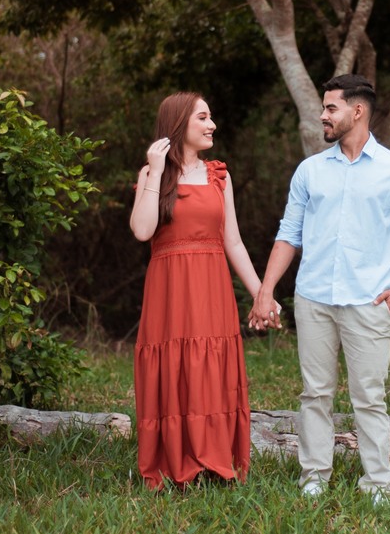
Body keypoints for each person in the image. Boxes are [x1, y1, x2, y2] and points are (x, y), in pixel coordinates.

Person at [251, 74, 390, 504]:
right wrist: (265, 289)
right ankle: (314, 477)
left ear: (358, 111)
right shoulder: (310, 171)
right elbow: (288, 234)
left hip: (370, 301)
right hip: (313, 299)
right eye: (323, 107)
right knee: (315, 394)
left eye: (331, 108)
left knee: (369, 397)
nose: (323, 115)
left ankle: (378, 484)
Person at [129, 91, 276, 490]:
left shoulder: (218, 176)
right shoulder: (153, 175)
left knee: (210, 366)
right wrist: (156, 171)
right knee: (175, 366)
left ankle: (214, 460)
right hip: (170, 290)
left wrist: (262, 294)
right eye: (203, 117)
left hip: (211, 286)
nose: (212, 125)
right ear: (179, 124)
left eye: (211, 118)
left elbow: (234, 243)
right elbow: (142, 230)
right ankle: (174, 460)